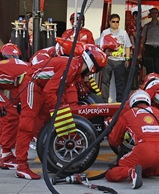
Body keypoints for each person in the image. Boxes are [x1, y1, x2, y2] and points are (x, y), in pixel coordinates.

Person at [14, 43, 107, 180]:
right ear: (93, 67)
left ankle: (50, 157)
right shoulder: (71, 67)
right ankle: (21, 166)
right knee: (27, 125)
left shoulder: (75, 66)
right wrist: (59, 109)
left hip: (41, 86)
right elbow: (50, 91)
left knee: (48, 122)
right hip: (32, 84)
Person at [106, 89, 159, 188]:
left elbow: (114, 140)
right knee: (146, 171)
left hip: (143, 150)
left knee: (111, 173)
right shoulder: (158, 113)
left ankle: (131, 173)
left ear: (132, 101)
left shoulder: (128, 114)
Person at [0, 44, 30, 170]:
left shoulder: (8, 66)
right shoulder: (28, 69)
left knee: (7, 116)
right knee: (10, 116)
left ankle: (6, 152)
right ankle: (5, 156)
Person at [98, 14, 132, 103]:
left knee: (120, 82)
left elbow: (127, 46)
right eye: (113, 21)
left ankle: (120, 101)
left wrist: (127, 58)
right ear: (109, 22)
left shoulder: (123, 33)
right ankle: (104, 100)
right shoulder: (105, 32)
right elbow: (101, 46)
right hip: (108, 60)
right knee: (105, 81)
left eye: (117, 21)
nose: (115, 23)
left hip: (120, 61)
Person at [138, 8, 159, 75]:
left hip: (158, 48)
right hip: (149, 48)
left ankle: (157, 83)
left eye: (155, 13)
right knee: (149, 68)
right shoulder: (147, 26)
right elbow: (143, 39)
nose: (154, 14)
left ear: (158, 14)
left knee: (158, 68)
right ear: (150, 15)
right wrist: (140, 52)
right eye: (152, 13)